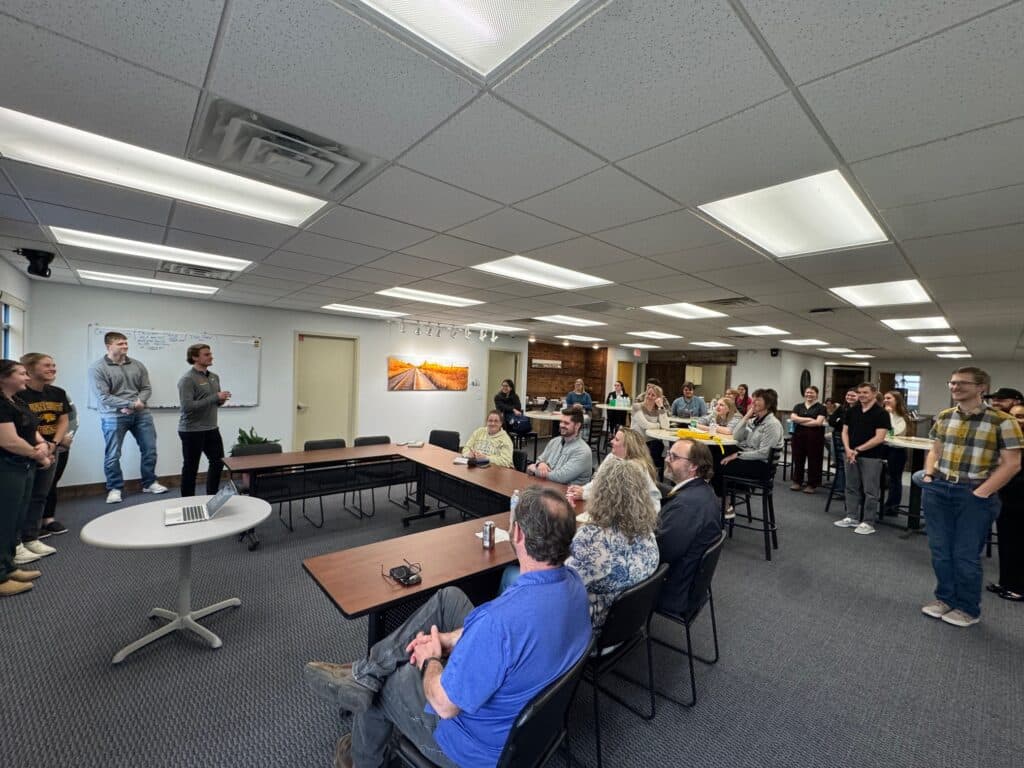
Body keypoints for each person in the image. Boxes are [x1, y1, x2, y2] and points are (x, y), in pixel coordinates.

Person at [303, 486, 591, 768]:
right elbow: (504, 636)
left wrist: (430, 660)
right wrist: (449, 639)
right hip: (529, 728)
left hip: (473, 750)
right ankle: (365, 674)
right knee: (449, 599)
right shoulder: (574, 585)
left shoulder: (498, 623)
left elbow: (444, 704)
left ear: (517, 534)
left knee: (395, 681)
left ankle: (360, 758)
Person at [918, 367, 1022, 627]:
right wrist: (929, 476)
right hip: (939, 489)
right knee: (940, 551)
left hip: (974, 493)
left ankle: (967, 607)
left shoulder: (1002, 421)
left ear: (981, 387)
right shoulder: (944, 416)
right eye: (952, 383)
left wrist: (981, 492)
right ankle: (945, 598)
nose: (955, 387)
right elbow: (935, 451)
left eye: (962, 383)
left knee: (965, 554)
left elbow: (1012, 464)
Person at [565, 458, 659, 629]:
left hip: (590, 628)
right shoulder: (648, 533)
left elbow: (560, 586)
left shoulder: (592, 538)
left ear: (600, 494)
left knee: (516, 576)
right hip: (626, 625)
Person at [89, 331, 166, 503]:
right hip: (113, 416)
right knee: (113, 454)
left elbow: (146, 388)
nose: (125, 346)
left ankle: (149, 483)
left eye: (126, 343)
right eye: (120, 344)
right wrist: (130, 404)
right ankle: (115, 488)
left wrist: (139, 403)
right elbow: (103, 396)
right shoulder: (98, 368)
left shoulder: (137, 365)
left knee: (149, 449)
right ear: (109, 346)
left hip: (141, 414)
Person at [0, 360, 50, 597]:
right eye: (21, 374)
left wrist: (42, 444)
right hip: (6, 467)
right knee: (4, 520)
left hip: (23, 465)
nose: (27, 378)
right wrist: (37, 454)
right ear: (3, 378)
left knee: (15, 519)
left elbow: (30, 427)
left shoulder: (16, 400)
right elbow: (8, 440)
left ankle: (9, 567)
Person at [657, 439, 723, 615]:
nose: (666, 459)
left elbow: (660, 552)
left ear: (693, 466)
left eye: (674, 457)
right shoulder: (703, 491)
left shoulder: (687, 506)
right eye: (668, 454)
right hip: (688, 581)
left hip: (673, 591)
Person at [16, 353, 71, 561]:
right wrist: (40, 446)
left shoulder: (57, 392)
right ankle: (17, 541)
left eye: (53, 365)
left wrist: (53, 444)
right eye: (47, 365)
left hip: (51, 448)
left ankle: (31, 537)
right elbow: (23, 426)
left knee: (41, 494)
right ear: (29, 369)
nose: (53, 369)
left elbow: (63, 420)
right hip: (28, 449)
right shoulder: (19, 395)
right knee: (22, 496)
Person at [833, 382, 890, 535]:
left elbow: (879, 438)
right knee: (851, 486)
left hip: (871, 457)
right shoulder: (852, 411)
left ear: (874, 393)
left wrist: (858, 450)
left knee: (870, 490)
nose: (862, 395)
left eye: (865, 392)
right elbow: (844, 432)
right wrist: (848, 449)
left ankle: (868, 522)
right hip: (850, 454)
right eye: (859, 392)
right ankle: (851, 517)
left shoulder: (881, 413)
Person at [178, 344, 231, 498]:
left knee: (218, 462)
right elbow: (187, 407)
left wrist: (221, 400)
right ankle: (187, 501)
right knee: (191, 468)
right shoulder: (187, 379)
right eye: (206, 354)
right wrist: (215, 397)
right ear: (195, 357)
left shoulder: (214, 377)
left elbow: (214, 402)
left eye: (210, 353)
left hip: (211, 428)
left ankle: (211, 496)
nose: (211, 357)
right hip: (192, 430)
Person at [566, 427, 661, 508]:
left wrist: (585, 494)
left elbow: (617, 497)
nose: (611, 441)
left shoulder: (636, 468)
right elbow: (598, 482)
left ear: (627, 447)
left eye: (616, 439)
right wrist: (581, 489)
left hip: (640, 515)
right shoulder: (612, 457)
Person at [719, 388, 784, 491]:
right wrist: (746, 416)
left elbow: (764, 453)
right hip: (750, 458)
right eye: (753, 399)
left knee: (720, 465)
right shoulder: (754, 421)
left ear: (768, 404)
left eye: (758, 399)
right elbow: (736, 436)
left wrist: (738, 455)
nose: (753, 402)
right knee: (717, 453)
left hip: (761, 465)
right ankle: (730, 493)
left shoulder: (772, 424)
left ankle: (725, 496)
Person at [990, 404, 1024, 602]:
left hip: (1020, 499)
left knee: (1019, 544)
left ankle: (1019, 587)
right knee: (1006, 542)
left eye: (1021, 416)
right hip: (1007, 497)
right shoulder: (1011, 440)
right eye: (1013, 416)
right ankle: (1006, 582)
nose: (1017, 420)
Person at [526, 408, 592, 485]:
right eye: (561, 422)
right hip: (548, 486)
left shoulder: (583, 451)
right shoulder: (555, 441)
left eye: (566, 423)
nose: (561, 425)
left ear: (577, 425)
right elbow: (540, 459)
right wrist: (540, 464)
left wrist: (535, 470)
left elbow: (561, 477)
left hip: (566, 491)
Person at [789, 385, 827, 494]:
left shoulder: (821, 407)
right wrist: (810, 419)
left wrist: (800, 420)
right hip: (798, 437)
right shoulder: (798, 406)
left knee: (814, 461)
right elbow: (793, 418)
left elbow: (818, 422)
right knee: (798, 459)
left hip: (815, 438)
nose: (809, 394)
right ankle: (797, 482)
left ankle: (811, 484)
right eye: (807, 392)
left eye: (812, 392)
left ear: (816, 394)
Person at [881, 390, 911, 515]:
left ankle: (892, 507)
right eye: (885, 398)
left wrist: (889, 415)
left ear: (897, 401)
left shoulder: (902, 417)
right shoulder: (882, 413)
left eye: (889, 398)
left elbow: (892, 433)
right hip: (884, 448)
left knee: (895, 479)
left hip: (896, 450)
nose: (886, 400)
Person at [631, 384, 671, 474]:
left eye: (653, 395)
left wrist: (661, 406)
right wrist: (658, 425)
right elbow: (645, 425)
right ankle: (649, 472)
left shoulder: (658, 410)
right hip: (638, 440)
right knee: (656, 447)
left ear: (658, 398)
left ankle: (654, 473)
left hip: (652, 441)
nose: (649, 396)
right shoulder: (637, 407)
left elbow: (665, 426)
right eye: (648, 394)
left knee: (659, 446)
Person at [827, 389, 858, 496]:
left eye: (853, 395)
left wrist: (839, 421)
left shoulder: (859, 410)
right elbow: (831, 421)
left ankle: (846, 489)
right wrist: (839, 421)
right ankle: (839, 488)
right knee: (840, 464)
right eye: (848, 395)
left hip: (850, 440)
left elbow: (850, 425)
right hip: (838, 437)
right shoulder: (842, 408)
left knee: (847, 465)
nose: (849, 397)